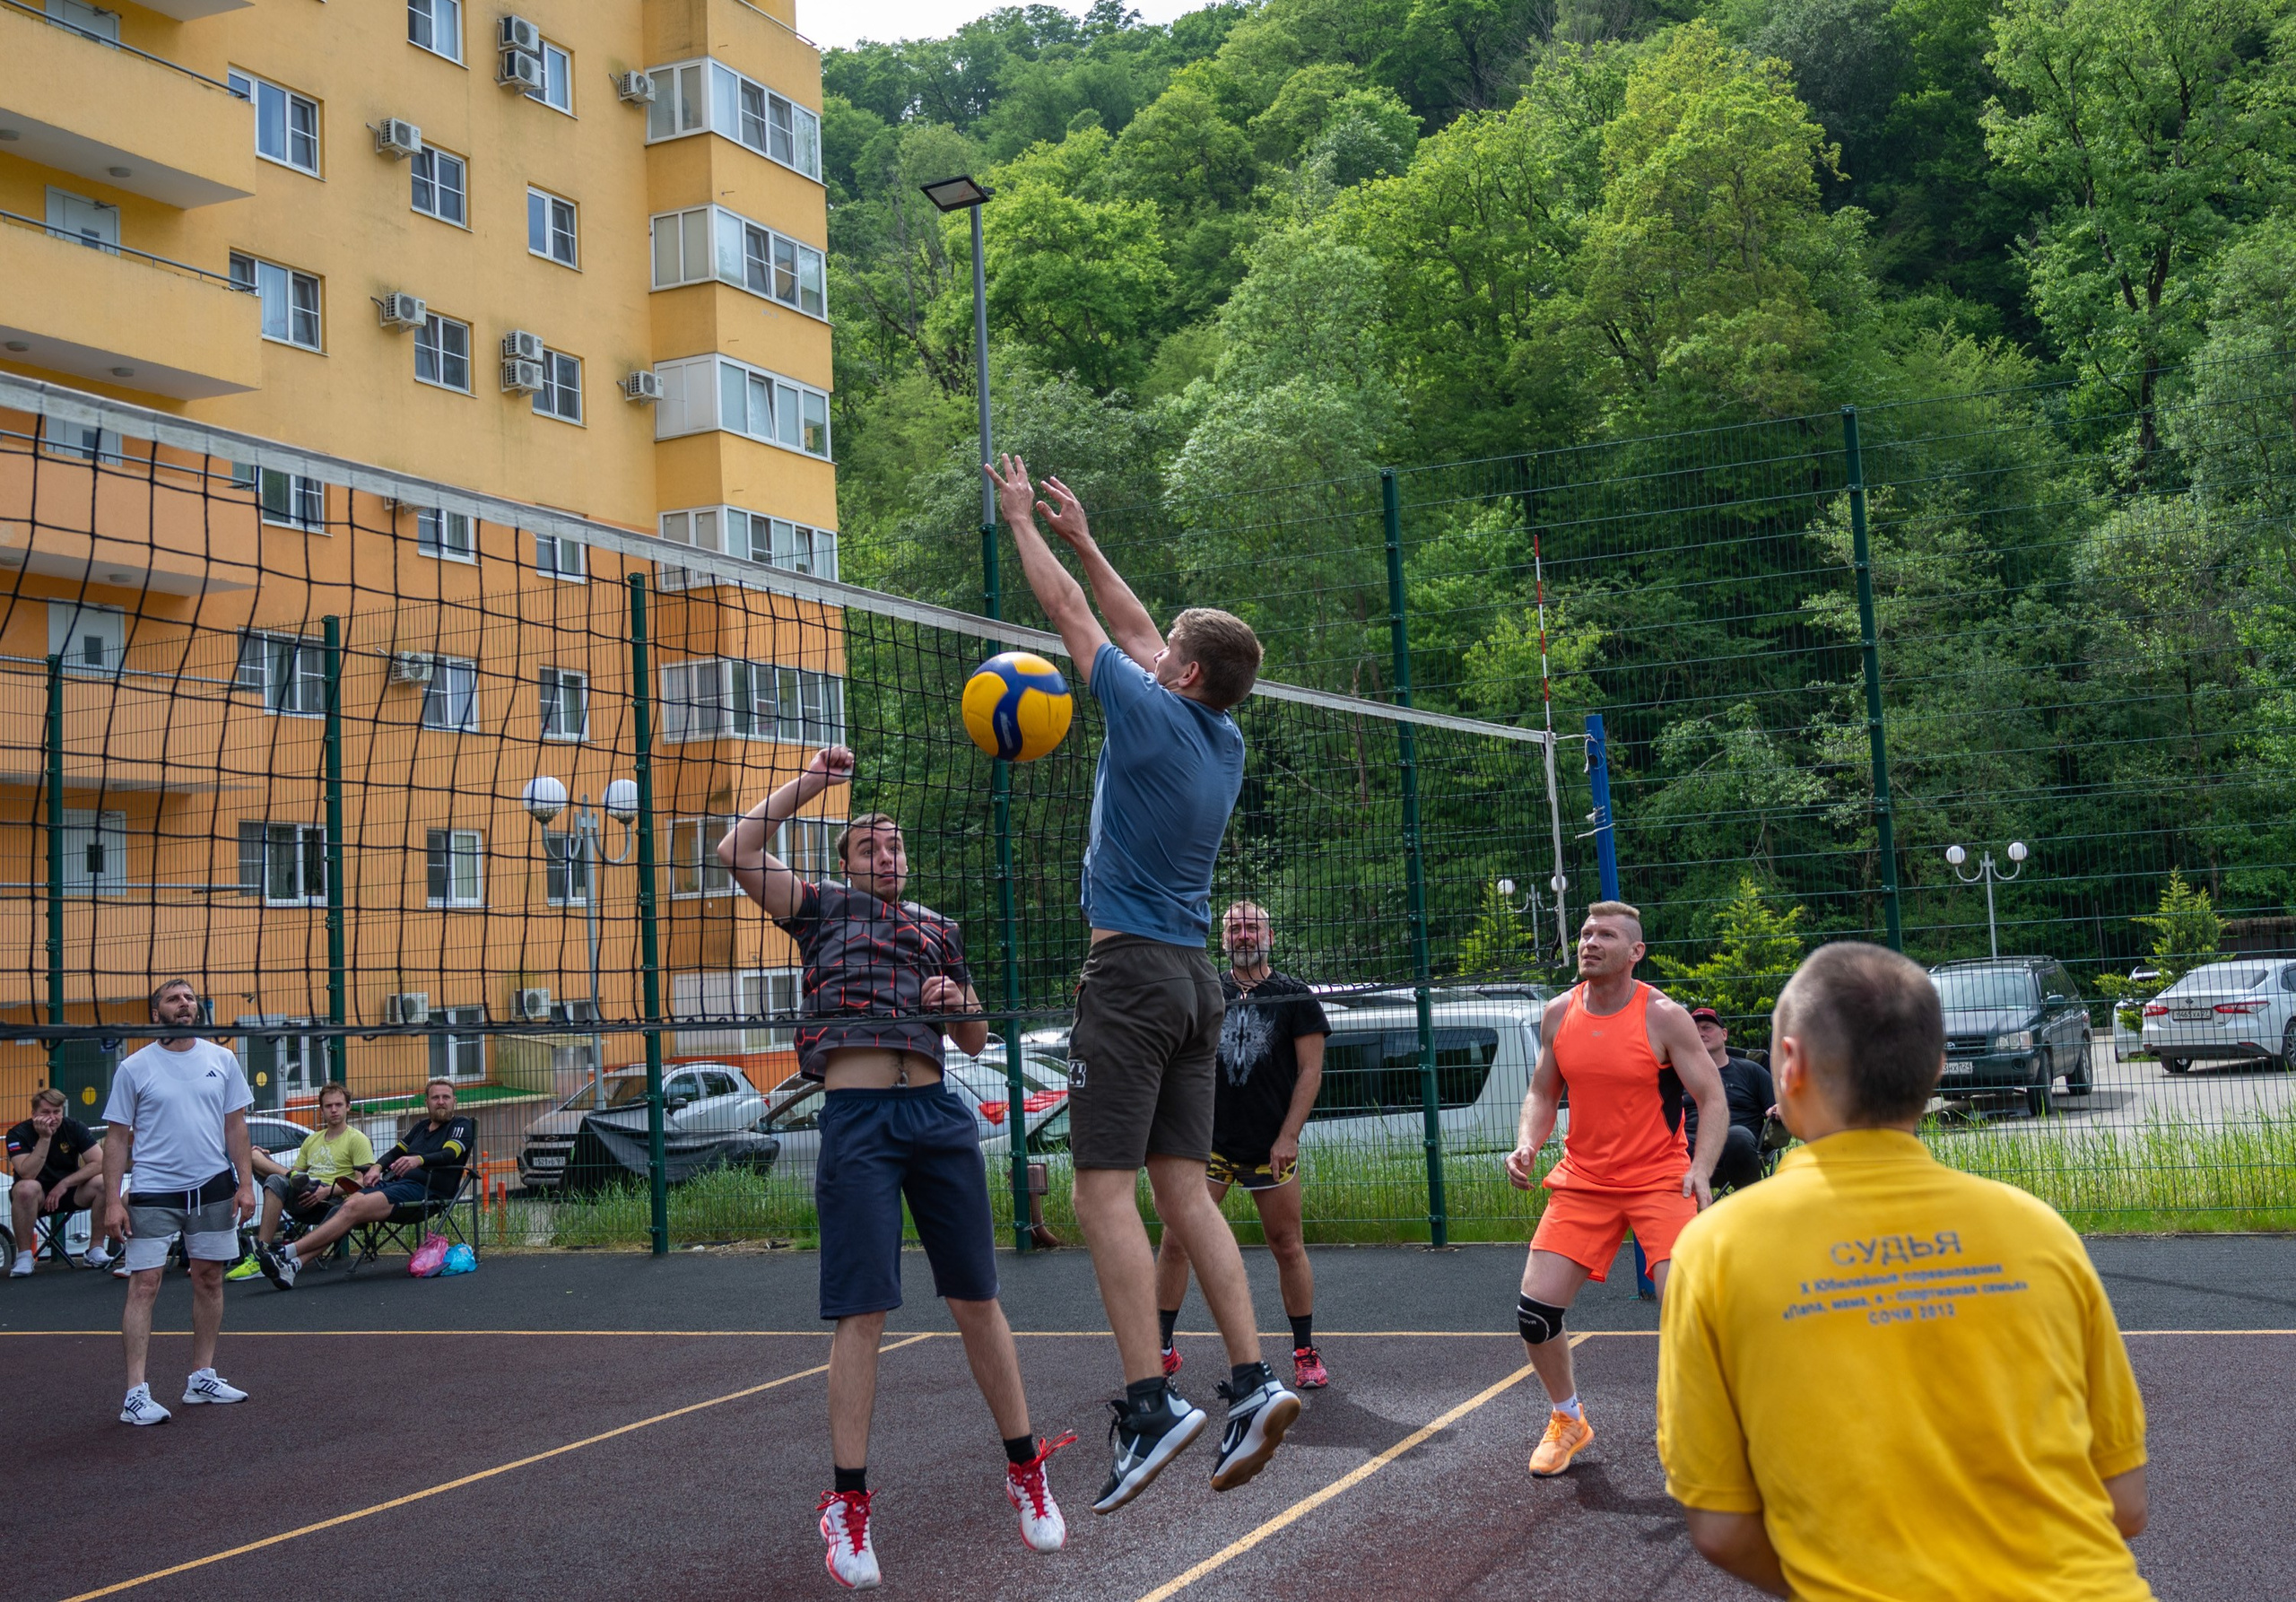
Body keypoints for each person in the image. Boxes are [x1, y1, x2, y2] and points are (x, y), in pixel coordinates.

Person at [986, 453, 1298, 1514]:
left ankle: (1150, 1402)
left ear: (1184, 673)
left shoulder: (1150, 709)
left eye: (1168, 650)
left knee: (1098, 1194)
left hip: (1127, 977)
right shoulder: (1223, 735)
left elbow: (1076, 618)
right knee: (1182, 1192)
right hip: (1196, 983)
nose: (1150, 649)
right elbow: (1129, 625)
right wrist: (1084, 536)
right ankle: (1252, 1382)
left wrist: (1024, 525)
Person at [1659, 942, 2154, 1600]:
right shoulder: (2039, 1230)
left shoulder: (1716, 1248)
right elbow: (2125, 1505)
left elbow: (1721, 1528)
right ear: (1938, 1066)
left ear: (1791, 1065)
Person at [718, 744, 1070, 1590]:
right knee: (864, 1310)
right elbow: (736, 849)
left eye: (895, 846)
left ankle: (1026, 1471)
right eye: (870, 847)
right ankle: (848, 1506)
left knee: (977, 1299)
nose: (886, 856)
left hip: (937, 1115)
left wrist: (960, 1001)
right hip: (860, 1120)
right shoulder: (821, 910)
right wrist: (813, 782)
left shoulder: (936, 929)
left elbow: (975, 1039)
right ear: (845, 862)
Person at [1504, 901, 1728, 1476]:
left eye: (1605, 934)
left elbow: (1712, 1098)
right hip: (1585, 1180)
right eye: (1585, 933)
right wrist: (1528, 1142)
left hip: (1660, 1177)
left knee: (1686, 1311)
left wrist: (1701, 1168)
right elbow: (1542, 1093)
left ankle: (1705, 1424)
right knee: (1535, 1315)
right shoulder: (1559, 1013)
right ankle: (1568, 1419)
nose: (1589, 942)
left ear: (1635, 952)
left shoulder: (1664, 1016)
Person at [1154, 901, 1333, 1390]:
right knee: (1175, 1240)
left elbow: (1311, 1072)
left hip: (1269, 1145)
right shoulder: (1206, 990)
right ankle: (1161, 1348)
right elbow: (1177, 1058)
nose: (1243, 935)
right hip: (1208, 1145)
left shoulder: (1294, 995)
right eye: (1234, 928)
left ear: (1269, 936)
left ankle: (1304, 1351)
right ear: (1224, 938)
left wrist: (1288, 1136)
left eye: (1252, 927)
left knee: (1287, 1246)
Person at [102, 979, 258, 1425]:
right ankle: (135, 1394)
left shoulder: (222, 1059)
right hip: (154, 1191)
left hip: (213, 1188)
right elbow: (117, 1138)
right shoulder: (134, 1067)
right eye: (174, 999)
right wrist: (113, 1201)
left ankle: (201, 1377)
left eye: (189, 997)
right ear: (157, 1013)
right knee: (144, 1284)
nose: (184, 1004)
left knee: (209, 1280)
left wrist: (246, 1184)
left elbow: (236, 1127)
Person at [254, 1078, 472, 1288]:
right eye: (435, 1098)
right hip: (395, 1185)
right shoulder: (421, 1127)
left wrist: (418, 1160)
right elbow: (394, 1153)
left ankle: (284, 1252)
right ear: (427, 1102)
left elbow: (448, 1155)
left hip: (424, 1191)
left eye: (446, 1097)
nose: (441, 1102)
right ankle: (292, 1267)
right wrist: (377, 1168)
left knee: (351, 1207)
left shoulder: (460, 1125)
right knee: (346, 1207)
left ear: (454, 1101)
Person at [254, 1082, 371, 1250]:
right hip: (304, 1192)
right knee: (254, 1155)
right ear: (321, 1110)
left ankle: (262, 1249)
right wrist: (267, 1159)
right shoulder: (312, 1140)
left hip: (331, 1201)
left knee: (275, 1179)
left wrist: (326, 1191)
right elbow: (297, 1175)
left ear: (348, 1107)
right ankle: (262, 1253)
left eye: (338, 1105)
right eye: (328, 1106)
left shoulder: (357, 1139)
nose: (334, 1110)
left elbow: (363, 1182)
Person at [10, 1086, 114, 1274]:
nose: (52, 1117)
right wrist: (45, 1138)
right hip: (35, 1198)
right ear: (34, 1114)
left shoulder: (74, 1127)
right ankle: (24, 1256)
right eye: (46, 1112)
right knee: (26, 1188)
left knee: (103, 1182)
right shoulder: (18, 1133)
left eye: (57, 1112)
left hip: (69, 1192)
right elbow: (27, 1173)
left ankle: (96, 1249)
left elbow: (100, 1163)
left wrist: (64, 1184)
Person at [1683, 1007, 1776, 1193]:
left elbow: (1778, 1106)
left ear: (1724, 1034)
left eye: (1707, 1028)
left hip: (1737, 1146)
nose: (1700, 1034)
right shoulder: (1680, 1076)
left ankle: (1752, 1205)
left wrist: (1779, 1108)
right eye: (1695, 1030)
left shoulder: (1751, 1071)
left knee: (1736, 1136)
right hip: (1690, 1147)